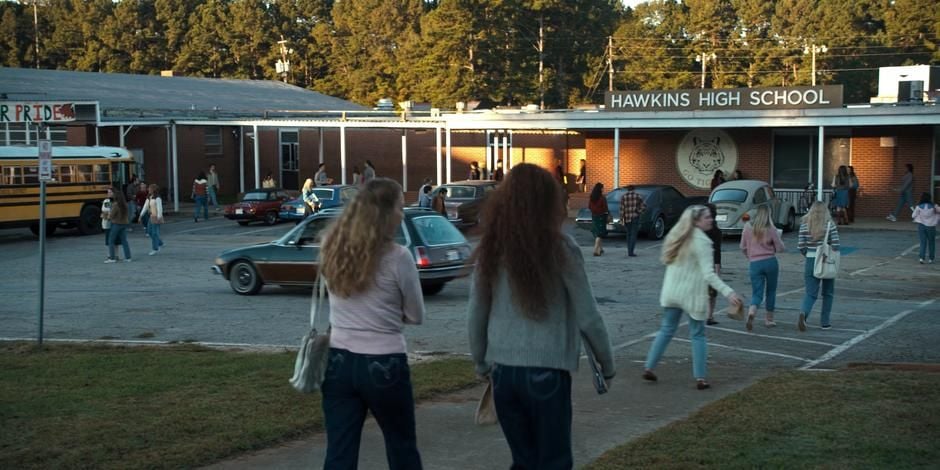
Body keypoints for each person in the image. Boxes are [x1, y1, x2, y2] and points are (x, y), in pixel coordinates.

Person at [467, 163, 615, 470]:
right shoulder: (562, 248)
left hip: (504, 373)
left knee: (523, 461)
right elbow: (588, 315)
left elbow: (477, 312)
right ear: (548, 201)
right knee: (554, 461)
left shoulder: (491, 249)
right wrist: (607, 363)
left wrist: (481, 362)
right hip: (548, 373)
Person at [318, 178, 425, 470]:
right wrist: (385, 313)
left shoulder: (331, 247)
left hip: (338, 360)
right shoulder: (398, 257)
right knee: (401, 447)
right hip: (384, 362)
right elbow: (416, 315)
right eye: (400, 207)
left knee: (339, 451)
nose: (402, 214)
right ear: (385, 213)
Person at [643, 205, 743, 390]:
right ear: (696, 221)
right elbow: (709, 274)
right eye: (707, 217)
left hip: (672, 292)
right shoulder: (702, 242)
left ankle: (649, 366)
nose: (711, 220)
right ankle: (700, 377)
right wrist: (728, 292)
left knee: (666, 329)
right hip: (691, 295)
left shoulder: (677, 235)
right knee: (698, 335)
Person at [740, 205, 785, 330]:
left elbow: (742, 247)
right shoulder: (771, 229)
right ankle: (769, 319)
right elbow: (780, 248)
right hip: (770, 261)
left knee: (757, 293)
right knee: (771, 291)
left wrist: (749, 256)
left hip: (755, 263)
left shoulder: (747, 228)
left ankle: (751, 312)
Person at [798, 201, 840, 331]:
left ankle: (804, 313)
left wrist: (808, 254)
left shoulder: (804, 224)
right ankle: (825, 322)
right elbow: (836, 245)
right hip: (826, 260)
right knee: (828, 293)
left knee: (810, 293)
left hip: (810, 260)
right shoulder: (830, 225)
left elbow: (800, 246)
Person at [704, 203, 722, 326]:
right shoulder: (717, 232)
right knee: (712, 292)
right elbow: (717, 251)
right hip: (710, 264)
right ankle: (710, 316)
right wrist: (717, 269)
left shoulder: (699, 230)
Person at [105, 186, 132, 263]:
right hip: (124, 223)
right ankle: (128, 257)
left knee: (111, 240)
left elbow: (111, 216)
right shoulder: (125, 204)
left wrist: (107, 216)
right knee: (124, 241)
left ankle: (112, 258)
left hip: (116, 224)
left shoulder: (115, 204)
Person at [912, 192, 940, 264]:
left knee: (923, 242)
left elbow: (913, 215)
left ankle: (921, 258)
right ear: (930, 198)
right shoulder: (934, 206)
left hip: (921, 225)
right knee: (931, 242)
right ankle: (931, 259)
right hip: (931, 226)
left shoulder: (918, 206)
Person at [619, 185, 646, 257]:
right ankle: (631, 252)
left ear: (627, 190)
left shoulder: (623, 197)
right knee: (633, 235)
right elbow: (644, 206)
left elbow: (621, 209)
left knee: (628, 234)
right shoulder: (638, 196)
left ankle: (629, 251)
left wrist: (621, 219)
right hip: (635, 217)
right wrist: (638, 212)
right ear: (634, 189)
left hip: (627, 218)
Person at [138, 184, 165, 255]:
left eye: (150, 188)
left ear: (153, 190)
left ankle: (155, 248)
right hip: (151, 216)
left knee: (154, 233)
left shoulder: (158, 198)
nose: (148, 189)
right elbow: (145, 207)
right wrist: (141, 215)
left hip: (156, 217)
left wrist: (159, 217)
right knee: (149, 231)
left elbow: (160, 208)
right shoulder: (149, 197)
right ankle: (160, 243)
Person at [588, 183, 609, 257]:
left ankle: (600, 248)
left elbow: (589, 206)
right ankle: (595, 250)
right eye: (602, 188)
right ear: (600, 189)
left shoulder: (592, 197)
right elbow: (605, 208)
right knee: (600, 234)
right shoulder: (602, 198)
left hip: (594, 216)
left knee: (597, 231)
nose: (603, 189)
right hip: (601, 216)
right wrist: (607, 214)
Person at [101, 187, 113, 252]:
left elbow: (108, 210)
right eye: (108, 192)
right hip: (107, 221)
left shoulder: (113, 201)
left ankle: (113, 254)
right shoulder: (106, 201)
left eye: (110, 192)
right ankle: (109, 253)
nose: (109, 193)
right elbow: (106, 209)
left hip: (113, 221)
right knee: (108, 237)